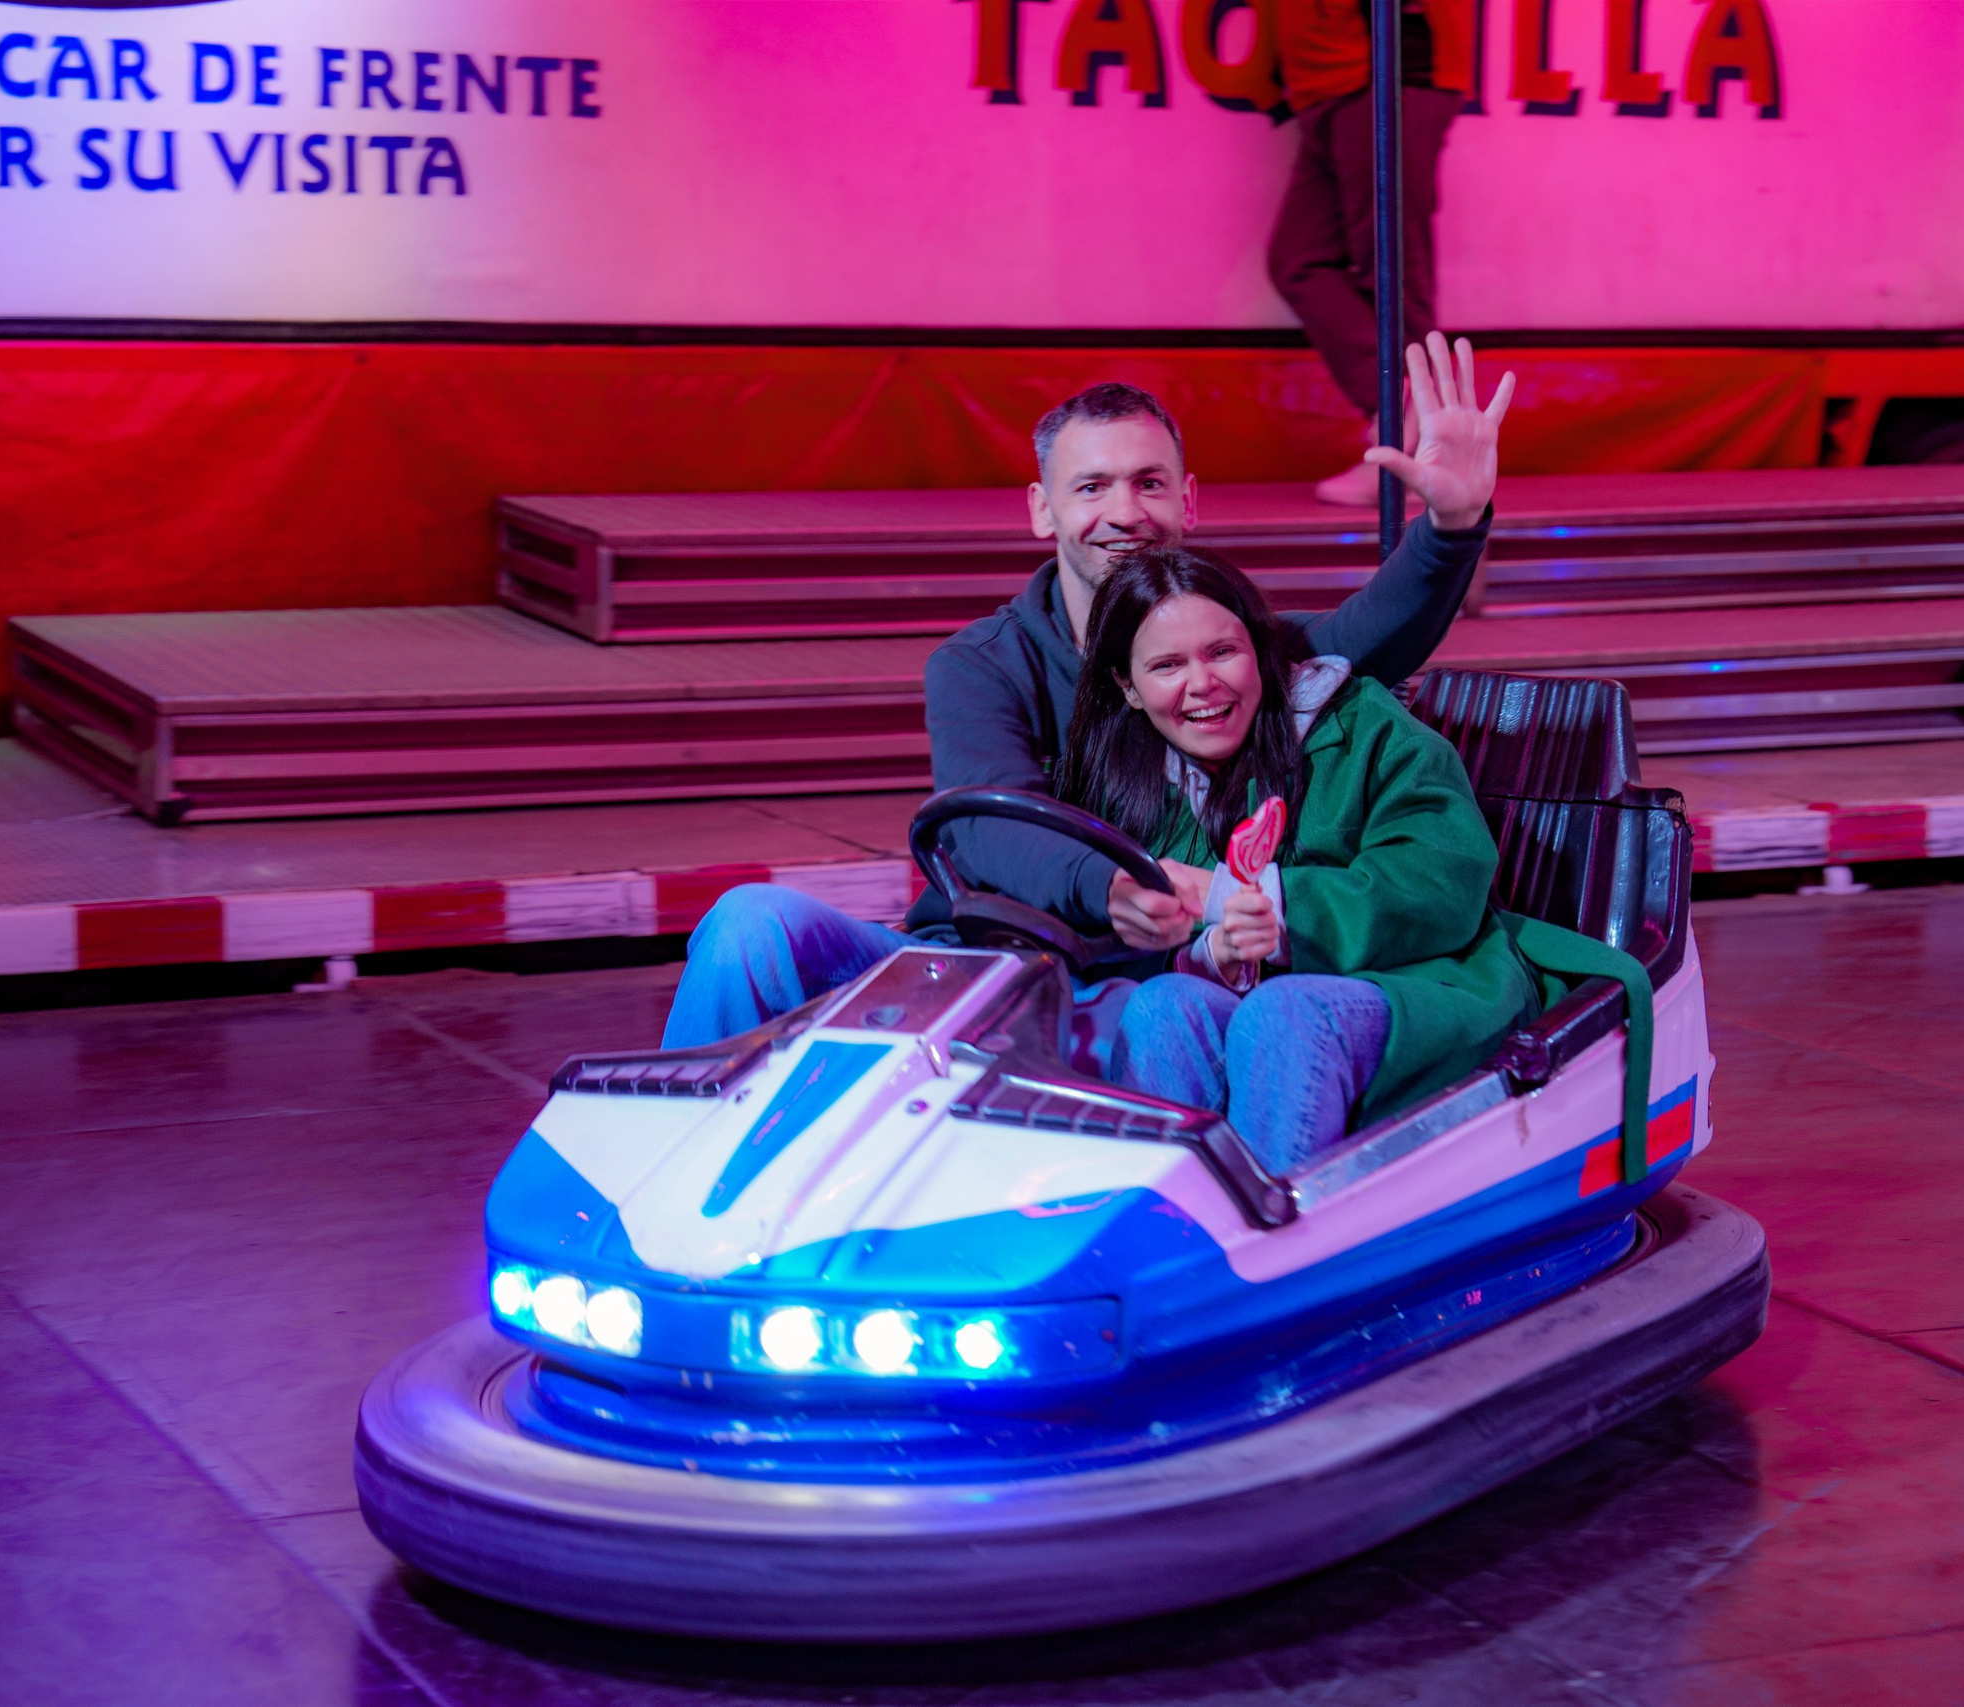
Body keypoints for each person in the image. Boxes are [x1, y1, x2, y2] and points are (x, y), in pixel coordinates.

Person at [662, 335, 1515, 1049]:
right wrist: (1115, 888)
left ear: (1188, 502)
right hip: (977, 967)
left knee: (1176, 1017)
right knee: (749, 922)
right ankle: (669, 1176)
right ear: (1042, 510)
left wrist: (1450, 527)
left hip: (1125, 989)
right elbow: (990, 827)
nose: (1124, 511)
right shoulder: (980, 665)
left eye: (1148, 483)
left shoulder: (1229, 653)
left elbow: (1365, 641)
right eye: (1091, 487)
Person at [1062, 543, 1631, 1175]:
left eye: (1222, 651)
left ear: (1258, 647)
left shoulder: (1358, 722)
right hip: (1271, 1002)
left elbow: (1443, 881)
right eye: (1168, 665)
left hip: (1425, 980)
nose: (1202, 684)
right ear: (1129, 687)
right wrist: (1211, 957)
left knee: (1286, 1017)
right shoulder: (1130, 781)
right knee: (1162, 1006)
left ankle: (1284, 1256)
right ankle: (1179, 1242)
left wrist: (1265, 906)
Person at [1268, 0, 1477, 507]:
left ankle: (1417, 447)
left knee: (1394, 267)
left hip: (1387, 72)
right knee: (1299, 260)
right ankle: (1402, 412)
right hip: (1330, 84)